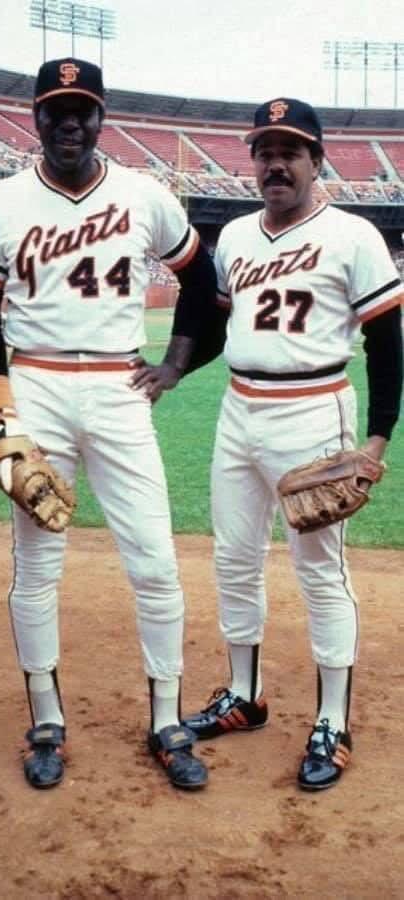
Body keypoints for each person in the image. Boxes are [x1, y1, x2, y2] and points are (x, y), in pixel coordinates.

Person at [0, 58, 218, 791]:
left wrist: (173, 364)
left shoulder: (145, 194)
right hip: (35, 383)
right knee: (37, 563)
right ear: (37, 117)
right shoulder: (3, 201)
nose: (69, 122)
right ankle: (45, 717)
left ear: (101, 116)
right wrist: (1, 403)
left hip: (116, 385)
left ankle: (166, 717)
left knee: (155, 560)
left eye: (82, 110)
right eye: (55, 110)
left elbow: (201, 280)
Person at [181, 98, 403, 790]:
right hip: (239, 410)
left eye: (291, 152)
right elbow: (219, 332)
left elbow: (387, 344)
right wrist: (173, 367)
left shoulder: (354, 235)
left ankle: (332, 718)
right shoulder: (239, 237)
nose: (275, 163)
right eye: (265, 151)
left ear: (317, 160)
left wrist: (374, 440)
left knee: (320, 571)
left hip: (314, 410)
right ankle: (244, 696)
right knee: (235, 559)